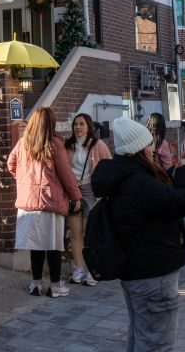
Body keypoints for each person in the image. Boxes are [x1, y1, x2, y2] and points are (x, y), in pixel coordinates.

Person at [92, 117, 185, 352]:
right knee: (156, 345)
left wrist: (174, 172)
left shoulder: (123, 177)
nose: (153, 148)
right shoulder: (139, 183)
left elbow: (157, 197)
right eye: (149, 144)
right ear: (139, 148)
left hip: (135, 274)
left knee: (140, 338)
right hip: (154, 277)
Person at [8, 107, 82, 298]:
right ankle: (56, 286)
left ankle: (36, 284)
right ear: (51, 123)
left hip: (28, 202)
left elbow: (11, 164)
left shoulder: (24, 142)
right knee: (53, 245)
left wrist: (24, 181)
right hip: (50, 200)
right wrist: (76, 196)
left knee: (36, 246)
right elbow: (66, 174)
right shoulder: (55, 143)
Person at [64, 113, 112, 286]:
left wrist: (104, 189)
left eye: (81, 124)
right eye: (75, 124)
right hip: (73, 191)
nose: (77, 127)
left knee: (89, 233)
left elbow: (109, 166)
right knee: (76, 234)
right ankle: (78, 269)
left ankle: (92, 270)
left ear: (89, 126)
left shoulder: (98, 145)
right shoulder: (68, 146)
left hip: (91, 191)